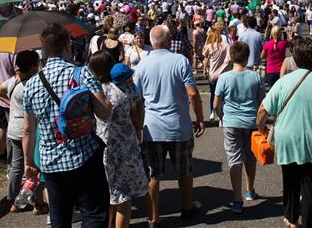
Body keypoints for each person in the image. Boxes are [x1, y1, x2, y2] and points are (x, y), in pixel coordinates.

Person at [22, 23, 113, 228]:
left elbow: (28, 129)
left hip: (50, 161)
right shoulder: (81, 74)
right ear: (67, 45)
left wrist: (29, 162)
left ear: (44, 49)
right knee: (94, 214)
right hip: (83, 155)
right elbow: (104, 113)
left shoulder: (32, 84)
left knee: (60, 217)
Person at [257, 38, 312, 228]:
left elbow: (263, 110)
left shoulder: (283, 82)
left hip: (288, 137)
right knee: (311, 185)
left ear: (294, 59)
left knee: (290, 181)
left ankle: (292, 218)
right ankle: (307, 222)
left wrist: (261, 128)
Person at [133, 25, 204, 228]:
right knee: (184, 170)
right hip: (178, 126)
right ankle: (187, 207)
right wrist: (199, 118)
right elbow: (192, 93)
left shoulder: (143, 65)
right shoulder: (180, 61)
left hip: (152, 127)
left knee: (154, 173)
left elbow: (137, 99)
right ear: (168, 40)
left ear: (151, 41)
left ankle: (153, 217)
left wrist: (138, 125)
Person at [88, 55, 149, 228]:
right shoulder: (128, 89)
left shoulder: (95, 90)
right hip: (126, 147)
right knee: (124, 196)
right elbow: (138, 119)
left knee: (108, 194)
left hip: (102, 146)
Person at [0, 50, 47, 214]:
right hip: (28, 128)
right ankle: (37, 202)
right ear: (33, 66)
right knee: (34, 166)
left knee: (16, 166)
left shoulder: (13, 81)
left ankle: (13, 197)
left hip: (13, 127)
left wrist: (9, 102)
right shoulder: (34, 85)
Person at [214, 42, 265, 213]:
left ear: (232, 56)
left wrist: (222, 117)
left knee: (234, 160)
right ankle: (250, 190)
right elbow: (262, 101)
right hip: (251, 121)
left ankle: (237, 199)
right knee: (250, 157)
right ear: (247, 57)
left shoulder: (224, 77)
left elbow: (216, 104)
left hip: (231, 121)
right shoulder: (255, 76)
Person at [202, 26, 231, 122]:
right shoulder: (226, 45)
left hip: (212, 74)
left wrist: (204, 69)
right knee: (222, 96)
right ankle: (221, 115)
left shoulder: (209, 46)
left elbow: (205, 58)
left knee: (213, 94)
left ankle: (212, 112)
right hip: (223, 74)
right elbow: (230, 59)